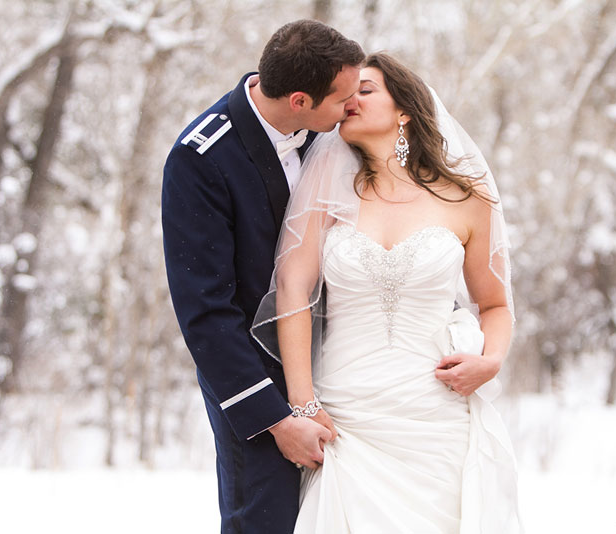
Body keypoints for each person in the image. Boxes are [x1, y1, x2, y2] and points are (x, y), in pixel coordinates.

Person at [251, 53, 523, 532]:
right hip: (347, 415)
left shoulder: (468, 198)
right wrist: (304, 401)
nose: (350, 100)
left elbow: (495, 304)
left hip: (435, 417)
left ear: (406, 111)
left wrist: (492, 359)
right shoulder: (326, 198)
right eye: (347, 92)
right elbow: (293, 288)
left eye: (367, 89)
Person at [161, 20, 364, 533]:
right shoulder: (200, 159)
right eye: (341, 99)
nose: (351, 108)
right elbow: (205, 312)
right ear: (300, 100)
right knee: (264, 520)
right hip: (256, 374)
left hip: (345, 368)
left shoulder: (338, 138)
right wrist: (275, 420)